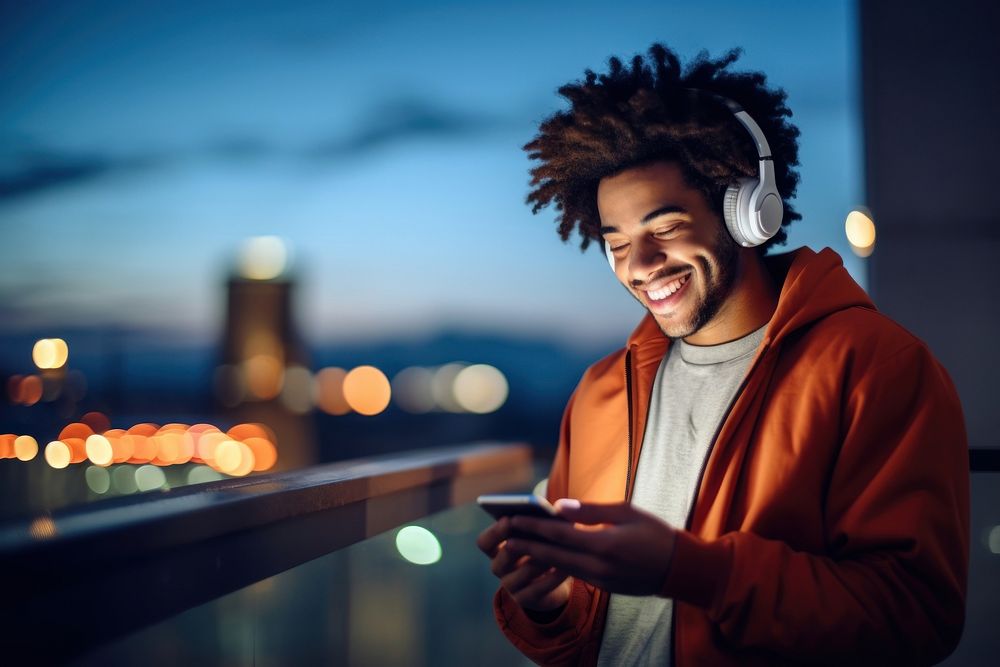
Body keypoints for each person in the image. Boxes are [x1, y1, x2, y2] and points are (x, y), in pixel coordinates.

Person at [476, 44, 969, 666]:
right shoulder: (602, 392)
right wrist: (546, 603)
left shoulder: (875, 368)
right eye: (617, 242)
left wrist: (692, 570)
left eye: (665, 228)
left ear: (746, 212)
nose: (640, 266)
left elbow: (915, 618)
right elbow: (595, 637)